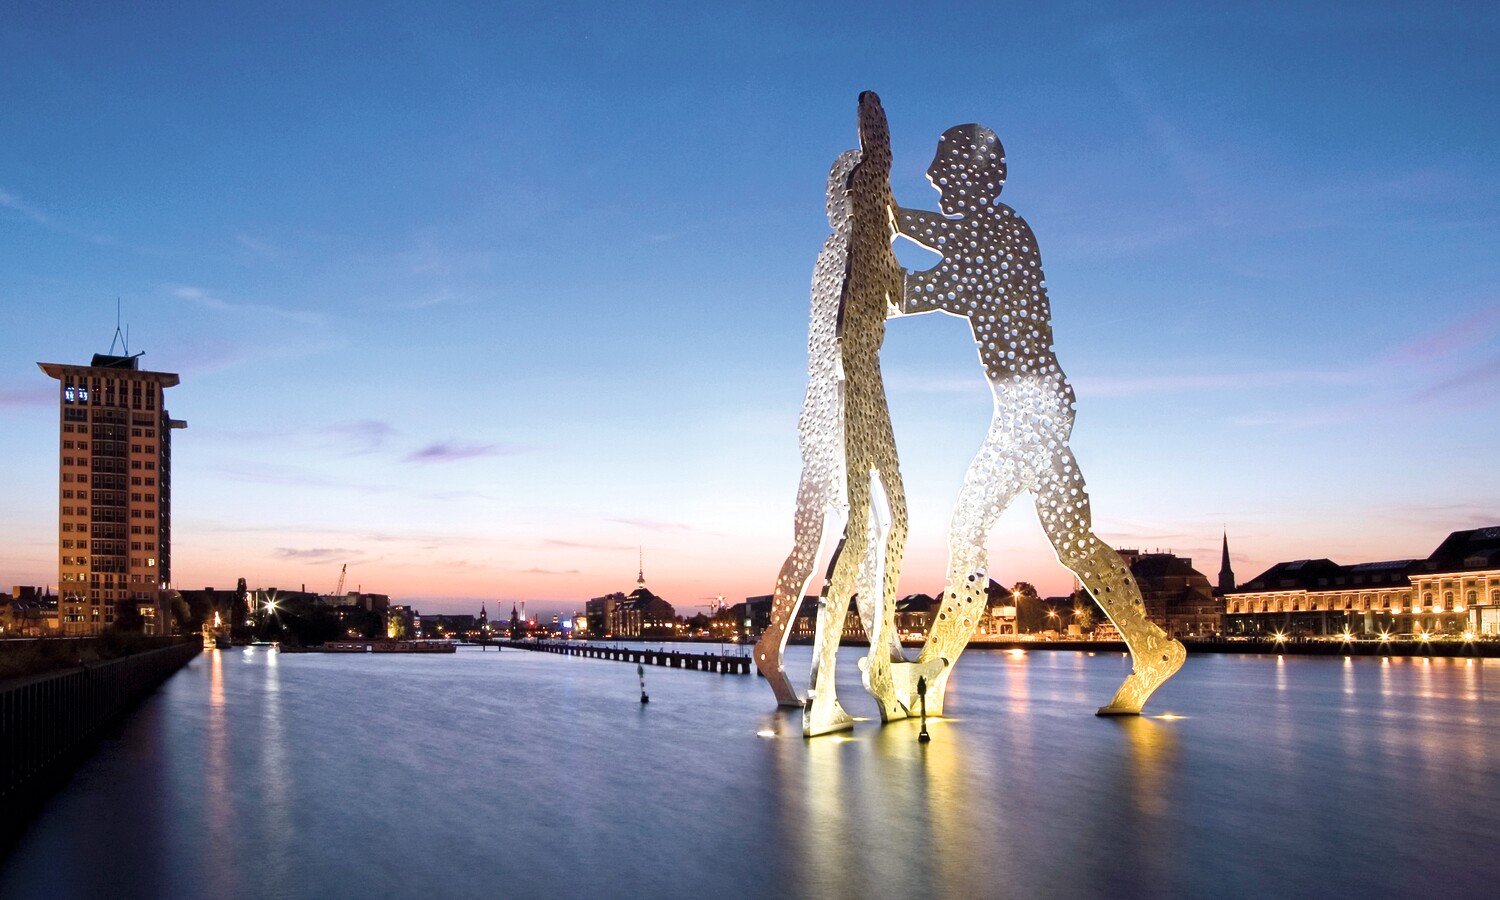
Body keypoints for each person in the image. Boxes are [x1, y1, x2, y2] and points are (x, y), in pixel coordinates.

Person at [894, 123, 1185, 715]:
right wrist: (893, 218)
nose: (934, 179)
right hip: (1035, 404)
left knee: (970, 534)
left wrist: (883, 246)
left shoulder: (999, 237)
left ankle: (931, 674)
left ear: (976, 177)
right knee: (1073, 543)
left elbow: (924, 287)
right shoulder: (992, 231)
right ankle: (1152, 646)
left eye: (944, 171)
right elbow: (946, 238)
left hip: (1032, 407)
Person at [752, 147, 859, 708]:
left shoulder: (829, 255)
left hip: (820, 407)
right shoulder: (846, 255)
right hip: (837, 409)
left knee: (818, 537)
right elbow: (860, 324)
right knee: (860, 534)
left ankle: (776, 644)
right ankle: (825, 667)